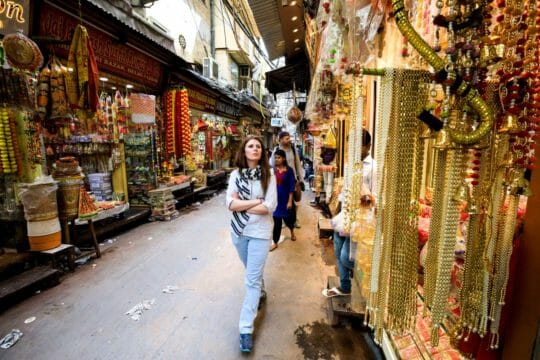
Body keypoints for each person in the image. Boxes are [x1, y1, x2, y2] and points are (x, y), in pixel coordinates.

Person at [226, 136, 277, 353]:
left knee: (251, 282)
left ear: (262, 152)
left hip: (260, 233)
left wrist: (243, 205)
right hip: (239, 232)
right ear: (244, 151)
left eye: (258, 146)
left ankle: (245, 329)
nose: (254, 149)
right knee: (252, 273)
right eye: (250, 146)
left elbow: (270, 206)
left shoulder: (269, 175)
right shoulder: (235, 175)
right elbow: (230, 203)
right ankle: (261, 290)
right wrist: (257, 201)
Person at [322, 129, 376, 297]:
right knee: (338, 251)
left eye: (358, 145)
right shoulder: (349, 164)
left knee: (347, 257)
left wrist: (365, 200)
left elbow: (375, 197)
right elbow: (345, 191)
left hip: (361, 220)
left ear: (368, 146)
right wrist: (337, 213)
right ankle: (345, 287)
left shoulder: (373, 168)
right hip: (344, 215)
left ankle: (369, 278)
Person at [270, 131, 304, 227]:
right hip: (280, 180)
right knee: (281, 199)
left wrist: (301, 179)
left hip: (292, 179)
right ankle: (283, 219)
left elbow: (297, 164)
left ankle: (295, 220)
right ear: (280, 140)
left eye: (289, 138)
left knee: (295, 200)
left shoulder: (293, 149)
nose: (289, 140)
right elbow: (272, 164)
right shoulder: (276, 150)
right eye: (286, 138)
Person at [270, 149, 297, 251]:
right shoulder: (273, 170)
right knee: (277, 222)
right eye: (275, 157)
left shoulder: (289, 170)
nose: (276, 159)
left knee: (288, 219)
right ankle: (275, 242)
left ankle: (292, 231)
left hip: (286, 198)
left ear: (284, 158)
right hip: (276, 200)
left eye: (279, 157)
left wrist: (290, 201)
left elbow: (291, 186)